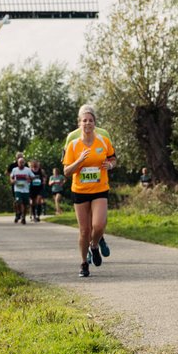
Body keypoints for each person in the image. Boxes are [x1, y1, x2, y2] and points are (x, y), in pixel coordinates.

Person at [63, 105, 116, 278]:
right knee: (84, 230)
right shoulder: (73, 144)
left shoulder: (103, 141)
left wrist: (110, 165)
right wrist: (79, 161)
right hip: (80, 190)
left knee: (99, 225)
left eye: (90, 120)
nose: (87, 123)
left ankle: (94, 246)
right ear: (79, 124)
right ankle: (84, 264)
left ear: (95, 123)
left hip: (100, 188)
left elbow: (113, 158)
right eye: (84, 120)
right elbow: (66, 171)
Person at [10, 155, 33, 224]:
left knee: (25, 204)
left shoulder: (27, 170)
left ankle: (23, 217)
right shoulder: (14, 170)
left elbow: (33, 177)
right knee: (18, 201)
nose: (21, 164)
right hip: (17, 189)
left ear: (24, 163)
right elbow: (11, 177)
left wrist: (29, 179)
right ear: (17, 163)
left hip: (25, 189)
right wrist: (12, 181)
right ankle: (18, 213)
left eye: (22, 162)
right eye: (20, 162)